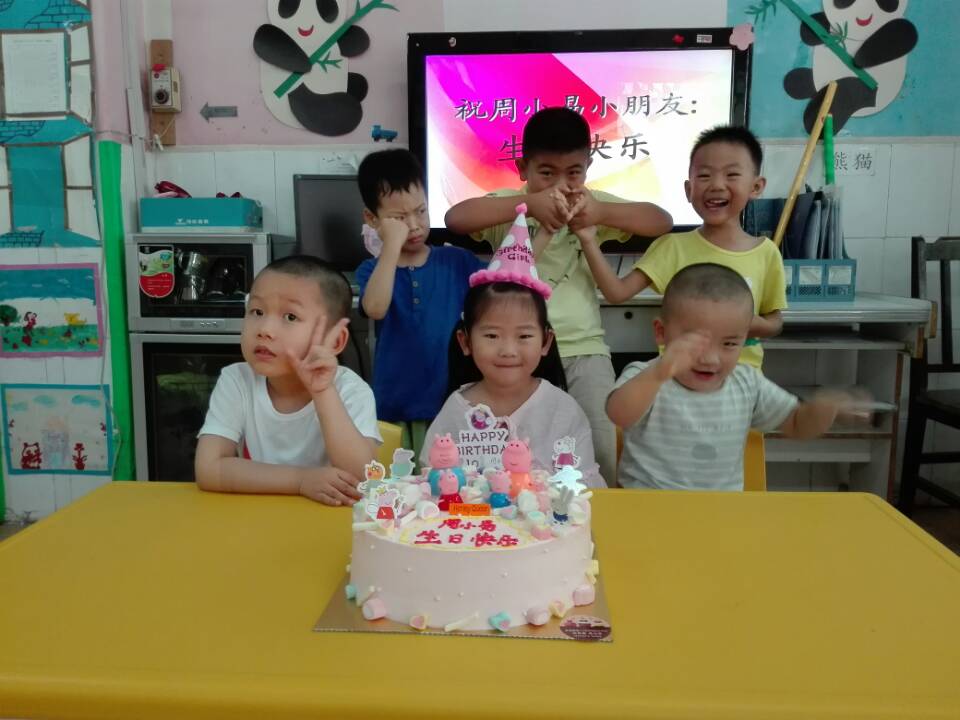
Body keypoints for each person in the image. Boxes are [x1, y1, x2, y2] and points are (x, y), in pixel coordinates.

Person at [445, 106, 672, 485]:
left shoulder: (591, 205)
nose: (560, 185)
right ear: (523, 168)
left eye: (573, 173)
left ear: (587, 168)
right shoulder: (512, 205)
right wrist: (527, 206)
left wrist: (601, 213)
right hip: (517, 354)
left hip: (585, 351)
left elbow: (661, 221)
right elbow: (456, 218)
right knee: (518, 459)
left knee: (600, 456)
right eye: (546, 173)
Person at [609, 263, 868, 490]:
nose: (711, 359)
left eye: (730, 344)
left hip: (723, 513)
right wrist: (659, 373)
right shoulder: (646, 376)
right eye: (694, 343)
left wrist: (823, 408)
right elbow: (618, 415)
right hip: (648, 507)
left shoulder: (747, 383)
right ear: (661, 332)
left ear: (745, 339)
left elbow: (797, 425)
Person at [576, 125, 786, 369]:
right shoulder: (672, 247)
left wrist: (745, 323)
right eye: (704, 176)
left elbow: (775, 322)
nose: (717, 185)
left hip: (742, 380)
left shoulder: (766, 253)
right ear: (688, 190)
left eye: (732, 175)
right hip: (681, 379)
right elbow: (617, 293)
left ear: (756, 187)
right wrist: (588, 240)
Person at [423, 204, 602, 487]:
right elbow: (433, 479)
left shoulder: (562, 410)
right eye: (492, 336)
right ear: (465, 341)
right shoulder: (456, 411)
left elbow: (581, 485)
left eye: (524, 336)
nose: (508, 350)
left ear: (545, 342)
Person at [195, 255, 381, 506]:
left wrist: (323, 392)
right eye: (257, 311)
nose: (264, 330)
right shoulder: (237, 380)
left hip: (329, 517)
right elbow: (209, 469)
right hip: (256, 516)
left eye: (290, 317)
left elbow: (363, 479)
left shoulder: (351, 390)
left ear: (335, 340)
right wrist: (301, 481)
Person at [356, 148, 484, 457]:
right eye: (399, 218)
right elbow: (375, 308)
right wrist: (391, 245)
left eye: (421, 211)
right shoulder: (373, 270)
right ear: (372, 219)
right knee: (401, 481)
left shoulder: (457, 261)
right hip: (395, 406)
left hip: (453, 403)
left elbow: (505, 282)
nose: (414, 225)